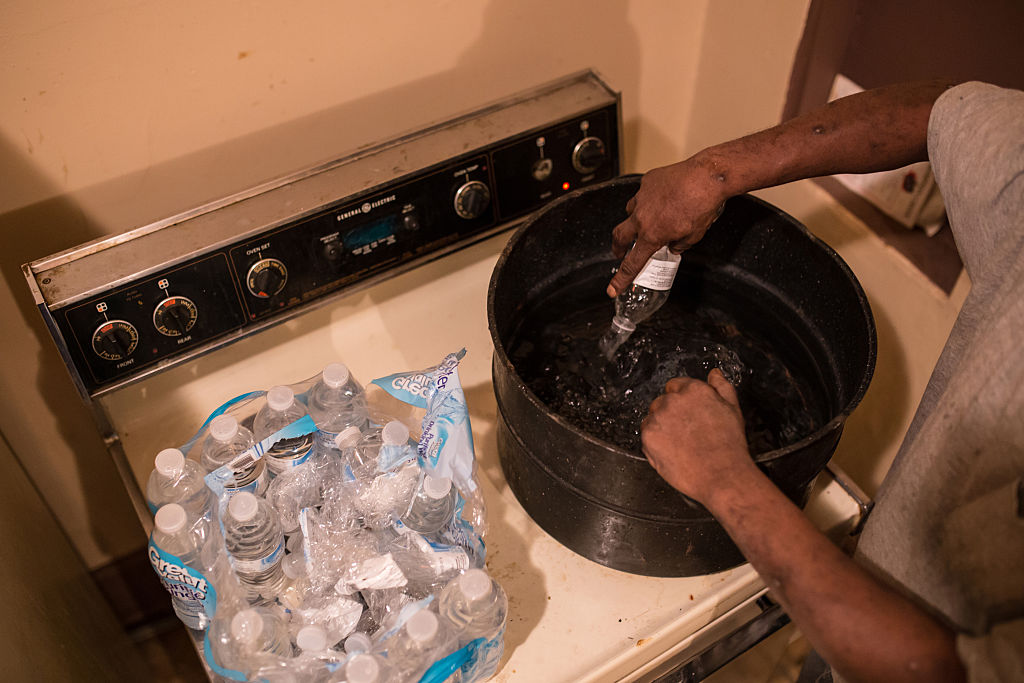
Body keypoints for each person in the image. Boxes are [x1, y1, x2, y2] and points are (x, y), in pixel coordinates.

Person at [608, 80, 1023, 682]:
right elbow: (943, 112)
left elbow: (940, 672)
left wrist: (725, 477)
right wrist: (713, 173)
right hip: (859, 606)